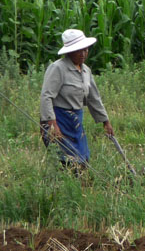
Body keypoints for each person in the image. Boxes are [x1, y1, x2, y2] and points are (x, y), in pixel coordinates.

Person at [40, 28, 114, 172]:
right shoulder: (58, 68)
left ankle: (80, 186)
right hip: (59, 119)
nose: (83, 54)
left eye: (85, 50)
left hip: (75, 121)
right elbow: (46, 96)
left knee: (83, 159)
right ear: (69, 52)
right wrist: (52, 124)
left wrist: (105, 121)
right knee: (65, 160)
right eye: (79, 50)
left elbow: (94, 98)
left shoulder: (86, 71)